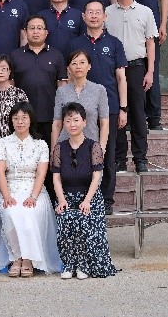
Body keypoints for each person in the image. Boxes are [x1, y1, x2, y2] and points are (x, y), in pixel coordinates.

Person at [0, 102, 61, 277]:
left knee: (30, 212)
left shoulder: (40, 144)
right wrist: (6, 196)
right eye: (16, 118)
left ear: (31, 120)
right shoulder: (3, 143)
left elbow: (41, 174)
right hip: (9, 188)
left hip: (34, 190)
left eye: (24, 118)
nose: (20, 122)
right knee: (11, 212)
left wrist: (33, 196)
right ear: (11, 121)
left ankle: (28, 259)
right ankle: (16, 257)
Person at [69, 1, 126, 206]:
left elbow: (121, 77)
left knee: (106, 154)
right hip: (80, 108)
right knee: (80, 153)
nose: (94, 16)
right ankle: (84, 197)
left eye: (98, 12)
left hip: (109, 106)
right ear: (83, 16)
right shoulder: (75, 43)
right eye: (90, 12)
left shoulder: (115, 43)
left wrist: (123, 108)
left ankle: (106, 200)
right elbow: (70, 76)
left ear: (105, 16)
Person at [51, 102, 117, 279]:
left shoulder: (93, 146)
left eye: (76, 120)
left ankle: (83, 265)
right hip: (66, 195)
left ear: (84, 122)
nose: (72, 125)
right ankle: (68, 264)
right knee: (65, 220)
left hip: (89, 196)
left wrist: (87, 200)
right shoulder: (59, 148)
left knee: (84, 221)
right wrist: (61, 200)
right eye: (68, 121)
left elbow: (96, 177)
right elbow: (56, 178)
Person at [115, 0, 168, 131]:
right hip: (126, 27)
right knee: (128, 72)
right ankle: (129, 116)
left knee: (151, 70)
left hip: (150, 27)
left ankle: (154, 117)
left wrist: (163, 23)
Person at [106, 0, 158, 173]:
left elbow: (150, 43)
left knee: (137, 114)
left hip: (136, 67)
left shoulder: (145, 12)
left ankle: (140, 158)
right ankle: (120, 158)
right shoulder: (107, 13)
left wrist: (150, 71)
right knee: (117, 114)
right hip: (113, 70)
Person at [10, 16, 68, 141]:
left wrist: (63, 112)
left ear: (46, 32)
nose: (35, 31)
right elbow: (10, 86)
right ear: (26, 32)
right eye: (32, 28)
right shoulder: (15, 55)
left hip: (49, 115)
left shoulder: (57, 55)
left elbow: (62, 87)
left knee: (48, 150)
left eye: (39, 28)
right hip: (22, 117)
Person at [51, 50, 111, 147]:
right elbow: (57, 122)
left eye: (82, 62)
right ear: (68, 68)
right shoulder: (61, 91)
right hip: (65, 146)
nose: (78, 66)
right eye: (74, 63)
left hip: (91, 145)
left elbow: (104, 122)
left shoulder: (99, 90)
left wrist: (101, 148)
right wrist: (54, 149)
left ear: (89, 66)